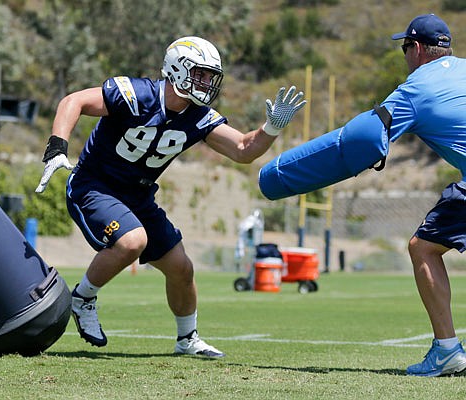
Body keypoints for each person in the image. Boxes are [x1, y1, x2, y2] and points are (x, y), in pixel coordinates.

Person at [35, 36, 305, 357]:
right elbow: (73, 101)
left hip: (138, 196)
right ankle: (82, 298)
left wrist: (271, 128)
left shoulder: (198, 115)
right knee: (133, 241)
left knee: (181, 268)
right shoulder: (136, 94)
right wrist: (57, 146)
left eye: (210, 76)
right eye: (201, 74)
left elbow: (244, 150)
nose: (207, 83)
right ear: (177, 69)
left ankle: (186, 339)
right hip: (95, 186)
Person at [353, 14, 466, 377]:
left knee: (423, 247)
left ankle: (447, 350)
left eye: (405, 48)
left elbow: (373, 137)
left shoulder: (415, 87)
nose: (405, 56)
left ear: (416, 49)